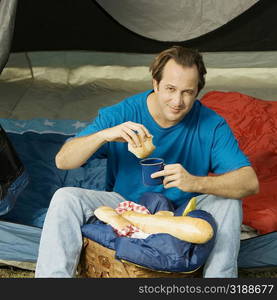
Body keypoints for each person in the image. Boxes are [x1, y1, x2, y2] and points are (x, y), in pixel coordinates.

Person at [35, 46, 259, 278]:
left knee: (230, 203)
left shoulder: (211, 124)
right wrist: (104, 135)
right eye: (170, 89)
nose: (177, 101)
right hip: (124, 204)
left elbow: (249, 182)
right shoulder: (122, 113)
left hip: (183, 211)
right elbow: (63, 161)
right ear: (155, 84)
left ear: (197, 91)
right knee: (65, 197)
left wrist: (194, 183)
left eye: (187, 92)